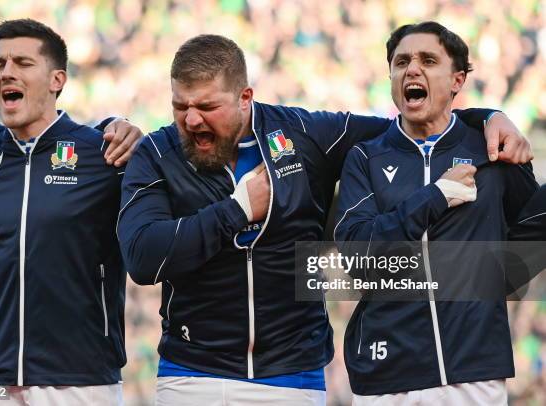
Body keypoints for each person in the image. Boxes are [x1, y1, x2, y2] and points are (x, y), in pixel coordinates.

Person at [116, 34, 532, 405]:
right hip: (190, 375)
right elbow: (142, 258)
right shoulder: (158, 153)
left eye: (207, 106)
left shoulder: (303, 133)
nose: (191, 120)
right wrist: (236, 210)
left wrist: (489, 117)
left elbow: (411, 128)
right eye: (180, 106)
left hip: (293, 376)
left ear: (246, 98)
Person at [334, 21, 539, 405]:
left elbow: (532, 231)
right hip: (386, 376)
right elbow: (356, 255)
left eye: (428, 60)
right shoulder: (365, 158)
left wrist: (491, 284)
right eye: (401, 62)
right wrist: (436, 197)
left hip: (474, 376)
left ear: (457, 80)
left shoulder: (494, 151)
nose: (412, 69)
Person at [0, 19, 135, 405]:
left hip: (81, 382)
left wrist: (131, 129)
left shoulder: (104, 153)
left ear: (57, 80)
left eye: (22, 63)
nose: (7, 73)